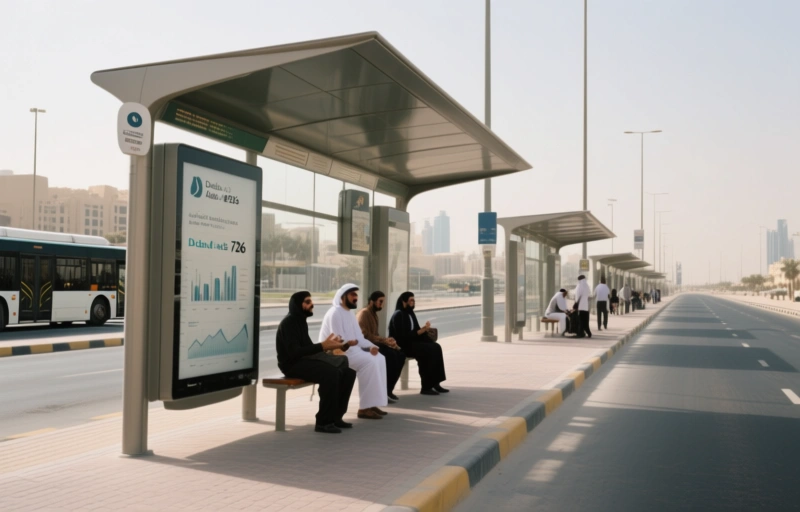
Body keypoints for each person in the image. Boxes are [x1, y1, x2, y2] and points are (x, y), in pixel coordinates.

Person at [276, 291, 356, 434]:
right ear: (297, 305)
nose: (312, 304)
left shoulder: (300, 321)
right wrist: (323, 345)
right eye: (307, 302)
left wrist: (331, 346)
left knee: (348, 373)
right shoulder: (289, 323)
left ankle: (336, 417)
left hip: (304, 361)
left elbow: (307, 348)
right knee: (330, 373)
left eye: (311, 301)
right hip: (292, 365)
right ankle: (323, 422)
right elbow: (295, 352)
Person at [319, 284, 389, 420]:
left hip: (353, 351)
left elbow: (360, 338)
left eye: (356, 294)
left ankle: (372, 403)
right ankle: (364, 408)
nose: (355, 297)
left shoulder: (350, 314)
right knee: (369, 362)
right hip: (338, 353)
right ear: (342, 297)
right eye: (352, 295)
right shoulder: (335, 313)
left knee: (380, 358)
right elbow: (338, 341)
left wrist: (371, 347)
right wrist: (352, 345)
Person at [389, 291, 448, 395]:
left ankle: (436, 383)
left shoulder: (410, 313)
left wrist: (425, 331)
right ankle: (426, 387)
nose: (413, 302)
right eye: (411, 300)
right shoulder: (398, 314)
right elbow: (402, 337)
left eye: (413, 300)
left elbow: (417, 331)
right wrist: (420, 331)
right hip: (403, 346)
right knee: (427, 351)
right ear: (404, 301)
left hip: (412, 343)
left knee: (436, 347)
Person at [357, 291, 407, 403]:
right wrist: (384, 340)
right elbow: (364, 335)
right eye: (380, 301)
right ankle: (382, 392)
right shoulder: (364, 313)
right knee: (391, 356)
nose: (382, 304)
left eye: (383, 302)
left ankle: (388, 390)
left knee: (401, 355)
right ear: (372, 301)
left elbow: (375, 335)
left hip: (373, 345)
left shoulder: (374, 314)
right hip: (365, 347)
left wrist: (386, 341)